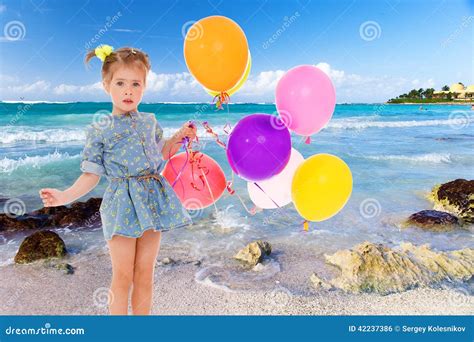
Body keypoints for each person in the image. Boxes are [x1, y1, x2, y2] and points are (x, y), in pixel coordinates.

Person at [39, 45, 196, 315]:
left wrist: (180, 137)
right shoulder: (101, 128)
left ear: (144, 87)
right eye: (120, 83)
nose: (128, 90)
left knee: (145, 275)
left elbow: (159, 156)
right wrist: (65, 196)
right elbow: (91, 175)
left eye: (136, 84)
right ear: (106, 85)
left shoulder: (149, 122)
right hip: (120, 204)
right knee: (123, 277)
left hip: (151, 199)